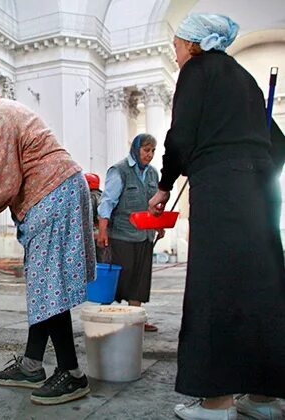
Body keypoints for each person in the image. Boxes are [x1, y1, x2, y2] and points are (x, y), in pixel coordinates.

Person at [147, 14, 285, 420]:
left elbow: (181, 133)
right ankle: (263, 398)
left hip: (221, 189)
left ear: (192, 44)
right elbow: (277, 143)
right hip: (259, 192)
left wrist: (165, 183)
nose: (175, 56)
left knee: (216, 287)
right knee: (263, 288)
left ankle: (217, 402)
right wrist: (254, 169)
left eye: (175, 47)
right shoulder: (244, 77)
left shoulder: (198, 71)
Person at [0, 63, 96, 406]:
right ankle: (31, 364)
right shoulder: (3, 115)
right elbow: (19, 158)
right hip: (57, 192)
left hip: (53, 194)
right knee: (44, 285)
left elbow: (8, 184)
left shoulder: (0, 116)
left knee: (49, 286)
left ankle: (71, 375)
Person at [97, 134, 163, 332]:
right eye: (146, 150)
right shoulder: (120, 170)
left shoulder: (153, 174)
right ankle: (104, 318)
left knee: (141, 278)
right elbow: (107, 201)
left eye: (152, 151)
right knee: (118, 276)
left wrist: (159, 224)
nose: (149, 155)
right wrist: (102, 230)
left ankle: (135, 319)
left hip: (145, 235)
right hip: (122, 234)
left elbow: (154, 204)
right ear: (136, 148)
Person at [84, 173, 103, 261]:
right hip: (103, 232)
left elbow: (87, 217)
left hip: (92, 233)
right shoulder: (103, 195)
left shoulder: (89, 197)